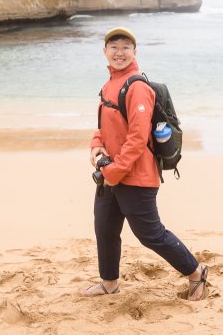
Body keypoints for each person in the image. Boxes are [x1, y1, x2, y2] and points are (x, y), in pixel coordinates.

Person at [82, 26, 209, 301]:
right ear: (105, 52)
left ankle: (196, 272)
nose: (120, 52)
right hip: (111, 173)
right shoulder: (108, 85)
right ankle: (109, 283)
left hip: (135, 176)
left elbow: (138, 139)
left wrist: (115, 171)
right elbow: (103, 127)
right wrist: (96, 145)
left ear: (135, 52)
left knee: (150, 234)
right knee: (104, 228)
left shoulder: (137, 87)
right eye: (114, 47)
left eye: (126, 47)